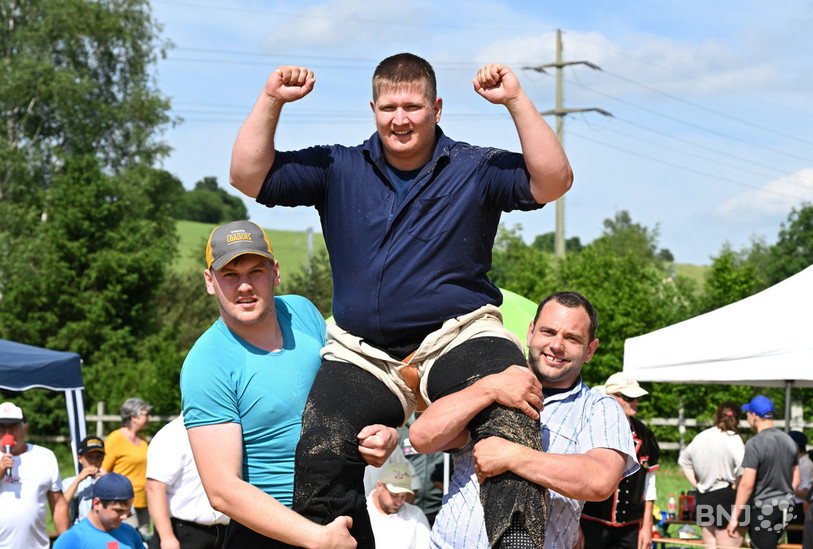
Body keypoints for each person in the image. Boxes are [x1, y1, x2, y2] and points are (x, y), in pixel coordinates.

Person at [229, 52, 573, 549]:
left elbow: (554, 181)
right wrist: (271, 101)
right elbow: (246, 176)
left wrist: (516, 100)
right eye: (389, 107)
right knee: (321, 448)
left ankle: (516, 544)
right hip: (362, 352)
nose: (400, 118)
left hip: (460, 335)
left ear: (436, 108)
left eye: (412, 106)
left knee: (510, 414)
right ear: (373, 109)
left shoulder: (474, 167)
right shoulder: (338, 166)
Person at [180, 220, 397, 548]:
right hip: (270, 530)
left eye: (256, 271)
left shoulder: (302, 311)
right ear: (210, 282)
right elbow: (222, 490)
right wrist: (316, 538)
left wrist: (384, 431)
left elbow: (349, 387)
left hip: (345, 512)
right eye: (230, 275)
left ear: (275, 272)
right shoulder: (206, 364)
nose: (245, 286)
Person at [409, 291, 639, 548]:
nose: (557, 345)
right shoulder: (489, 378)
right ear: (530, 333)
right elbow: (421, 438)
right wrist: (489, 388)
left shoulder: (598, 407)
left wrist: (513, 456)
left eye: (572, 338)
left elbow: (599, 480)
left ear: (590, 350)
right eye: (548, 332)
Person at [580, 373, 660, 549]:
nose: (636, 402)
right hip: (592, 522)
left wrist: (647, 526)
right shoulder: (591, 428)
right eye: (629, 397)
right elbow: (577, 478)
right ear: (611, 397)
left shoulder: (645, 435)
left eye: (637, 397)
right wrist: (575, 525)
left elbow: (649, 485)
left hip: (630, 527)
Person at [726, 396, 799, 549]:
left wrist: (734, 519)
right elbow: (796, 480)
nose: (747, 418)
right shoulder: (789, 441)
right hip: (786, 508)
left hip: (764, 508)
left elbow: (746, 484)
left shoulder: (755, 443)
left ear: (755, 416)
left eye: (747, 415)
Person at [146, 414, 229, 549]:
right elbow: (154, 488)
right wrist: (167, 537)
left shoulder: (223, 432)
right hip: (184, 535)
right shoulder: (173, 434)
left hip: (222, 534)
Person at [0, 401, 69, 548]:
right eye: (1, 428)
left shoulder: (45, 456)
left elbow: (58, 504)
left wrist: (67, 542)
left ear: (25, 429)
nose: (7, 434)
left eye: (13, 427)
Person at [678, 402, 746, 547]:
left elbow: (683, 461)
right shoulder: (734, 439)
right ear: (737, 418)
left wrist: (697, 484)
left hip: (704, 497)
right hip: (728, 497)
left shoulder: (701, 437)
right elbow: (743, 469)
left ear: (717, 416)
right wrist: (738, 486)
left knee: (710, 545)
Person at [102, 397, 152, 538]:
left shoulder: (141, 438)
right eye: (145, 414)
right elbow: (104, 471)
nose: (148, 418)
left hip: (144, 500)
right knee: (127, 540)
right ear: (133, 417)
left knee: (144, 540)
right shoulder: (115, 438)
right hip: (124, 504)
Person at [53, 472, 144, 549]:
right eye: (118, 511)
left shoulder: (130, 532)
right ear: (96, 504)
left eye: (127, 510)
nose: (124, 516)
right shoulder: (71, 540)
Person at [366, 463, 431, 548]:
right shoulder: (360, 511)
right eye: (394, 495)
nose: (399, 502)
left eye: (404, 495)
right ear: (379, 486)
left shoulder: (416, 514)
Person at [62, 435, 107, 524]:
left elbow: (127, 510)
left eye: (98, 457)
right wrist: (78, 480)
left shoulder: (109, 480)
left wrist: (107, 482)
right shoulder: (69, 482)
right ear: (80, 458)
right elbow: (61, 506)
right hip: (78, 528)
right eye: (90, 456)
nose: (94, 461)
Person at [788, 431, 813, 544]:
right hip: (795, 506)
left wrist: (786, 488)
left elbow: (806, 492)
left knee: (798, 540)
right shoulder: (797, 462)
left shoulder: (806, 465)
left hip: (801, 508)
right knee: (792, 538)